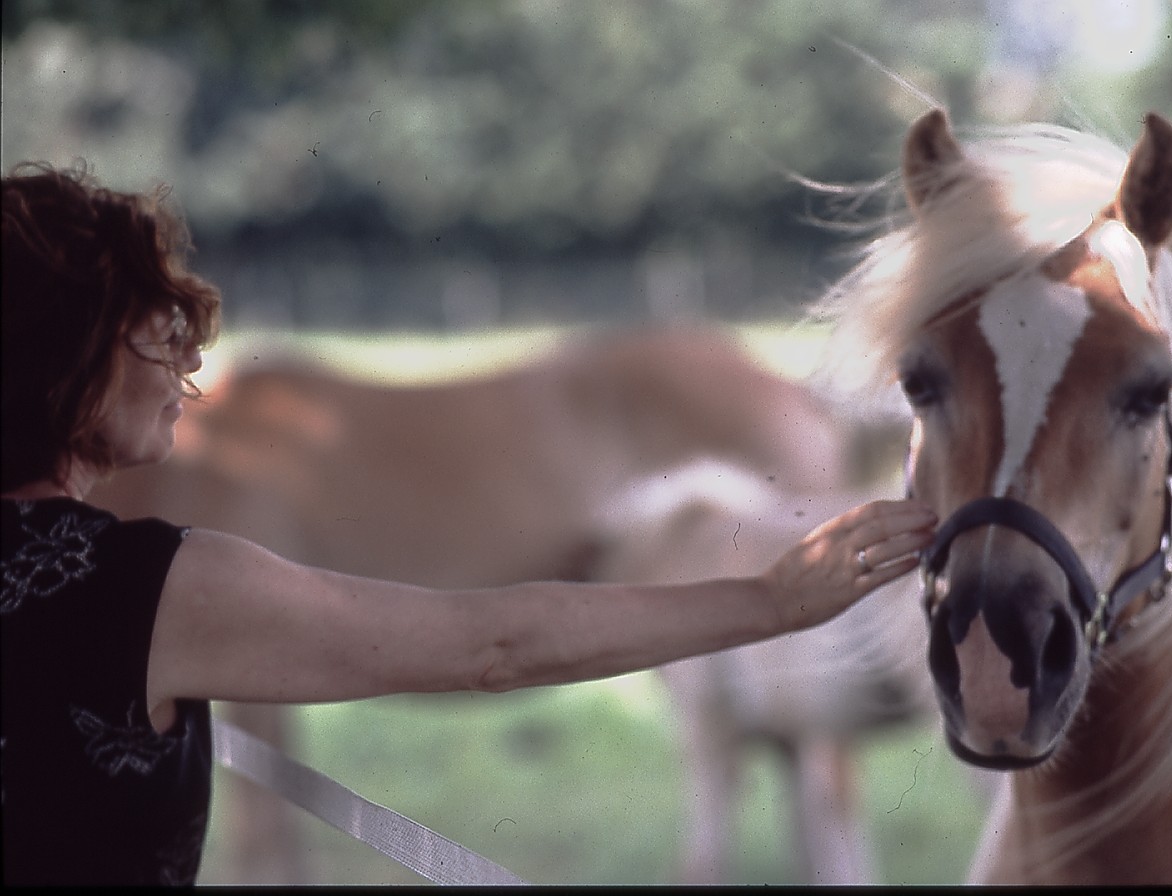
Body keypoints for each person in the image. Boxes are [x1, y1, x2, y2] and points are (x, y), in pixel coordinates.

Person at [0, 161, 937, 886]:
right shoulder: (163, 587)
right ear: (69, 359)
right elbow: (494, 644)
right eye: (150, 327)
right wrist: (772, 600)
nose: (186, 355)